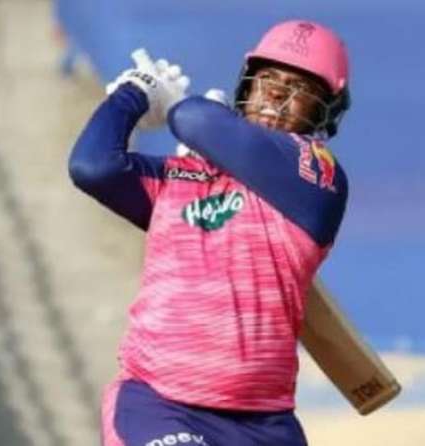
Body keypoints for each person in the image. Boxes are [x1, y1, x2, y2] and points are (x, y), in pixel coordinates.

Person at [69, 19, 351, 446]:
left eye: (299, 87)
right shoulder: (179, 176)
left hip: (265, 423)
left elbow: (196, 119)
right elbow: (94, 167)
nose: (276, 94)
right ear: (247, 86)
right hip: (161, 405)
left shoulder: (317, 178)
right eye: (267, 79)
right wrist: (133, 93)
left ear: (324, 108)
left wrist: (185, 113)